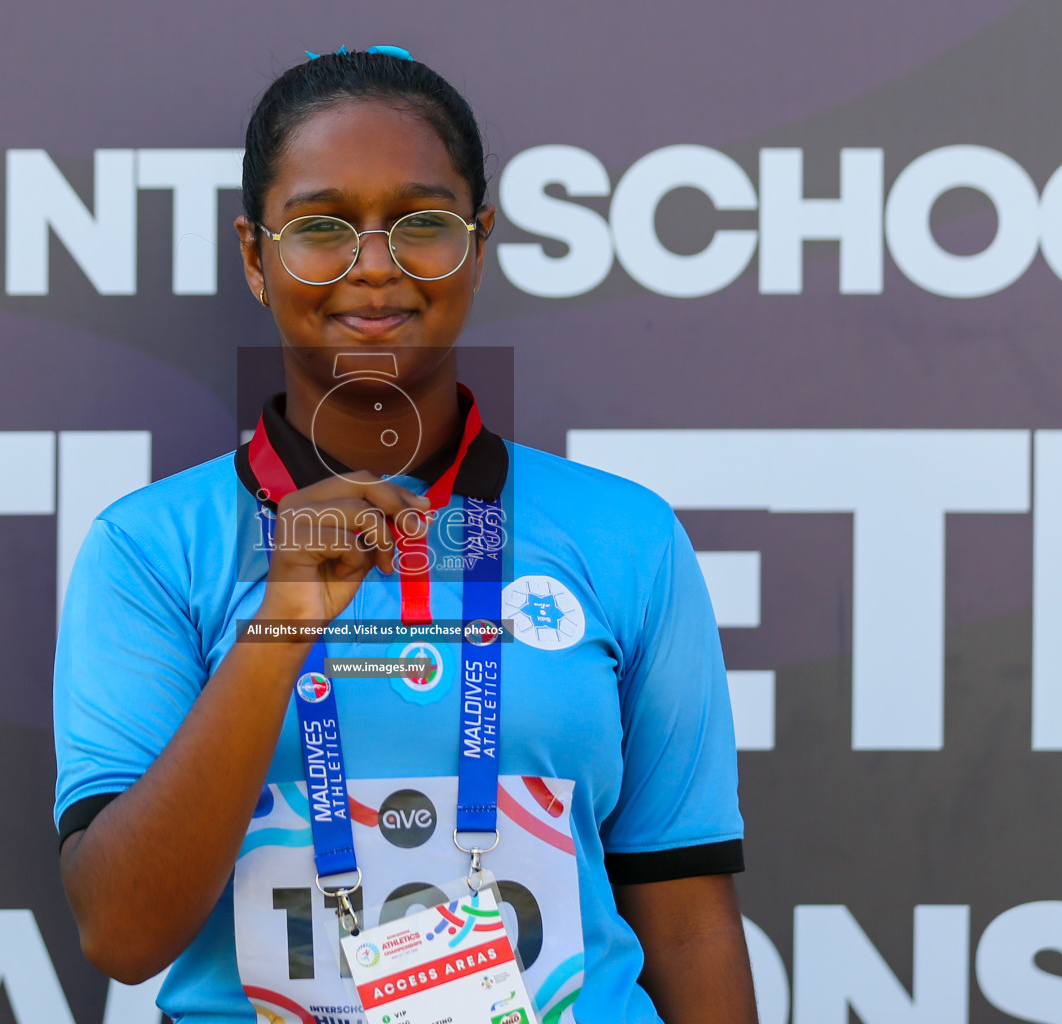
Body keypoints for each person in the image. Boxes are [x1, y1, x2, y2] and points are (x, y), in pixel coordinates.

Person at [54, 47, 757, 1024]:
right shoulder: (151, 549)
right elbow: (124, 933)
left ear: (481, 239)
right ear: (256, 256)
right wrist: (282, 618)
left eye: (421, 223)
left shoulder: (624, 536)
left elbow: (687, 923)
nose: (373, 265)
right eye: (320, 227)